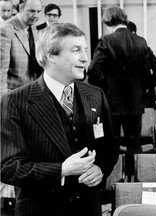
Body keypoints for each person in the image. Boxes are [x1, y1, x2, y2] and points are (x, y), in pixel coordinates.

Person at [0, 22, 119, 216]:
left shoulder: (96, 95)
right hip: (40, 209)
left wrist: (100, 169)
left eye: (85, 50)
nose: (85, 58)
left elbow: (109, 147)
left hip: (87, 208)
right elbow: (7, 167)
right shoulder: (15, 101)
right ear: (50, 56)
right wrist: (61, 170)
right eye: (76, 50)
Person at [87, 6, 152, 154]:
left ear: (108, 22)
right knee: (134, 144)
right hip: (136, 101)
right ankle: (136, 174)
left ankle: (115, 176)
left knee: (112, 142)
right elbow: (147, 72)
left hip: (112, 101)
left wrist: (103, 88)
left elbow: (93, 69)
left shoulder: (106, 40)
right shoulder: (141, 41)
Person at [0, 0, 43, 97]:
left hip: (31, 92)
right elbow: (1, 72)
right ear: (21, 8)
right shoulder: (5, 29)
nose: (36, 15)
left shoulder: (33, 28)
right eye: (32, 11)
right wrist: (3, 102)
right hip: (13, 95)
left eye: (38, 11)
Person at [126, 20, 156, 109]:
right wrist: (148, 84)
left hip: (130, 99)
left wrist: (148, 84)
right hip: (143, 96)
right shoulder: (145, 49)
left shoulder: (119, 51)